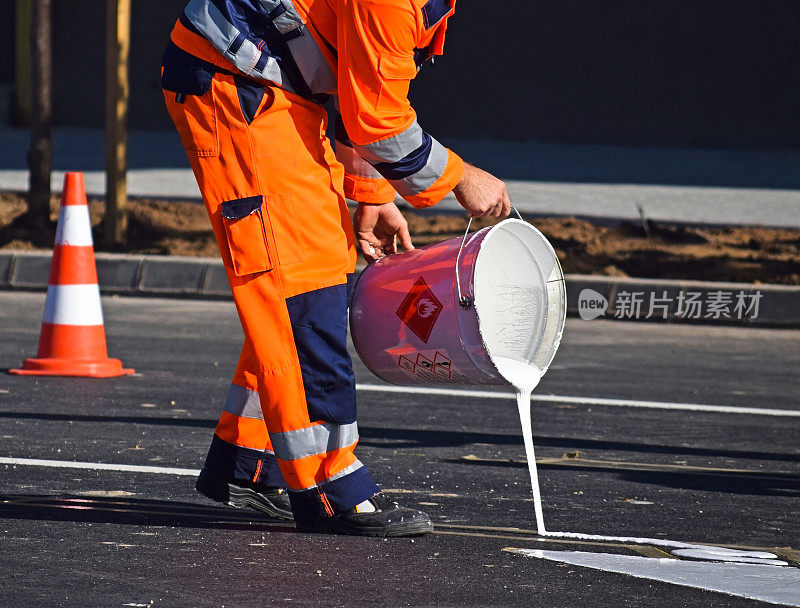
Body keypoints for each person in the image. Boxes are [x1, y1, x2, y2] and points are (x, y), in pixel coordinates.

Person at [161, 0, 510, 537]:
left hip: (266, 85)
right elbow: (379, 120)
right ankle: (327, 484)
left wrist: (370, 188)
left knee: (310, 273)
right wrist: (463, 179)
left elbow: (356, 83)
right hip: (240, 89)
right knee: (303, 288)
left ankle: (252, 463)